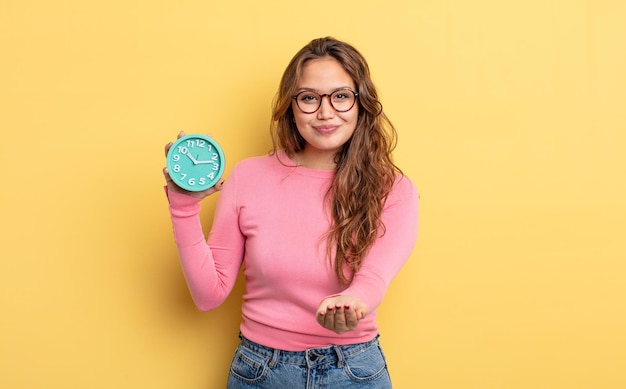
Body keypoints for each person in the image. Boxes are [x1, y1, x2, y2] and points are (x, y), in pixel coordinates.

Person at [163, 37, 418, 388]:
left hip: (354, 371)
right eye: (309, 98)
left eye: (341, 96)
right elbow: (209, 295)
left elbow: (373, 278)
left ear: (362, 103)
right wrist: (183, 205)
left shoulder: (394, 189)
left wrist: (353, 303)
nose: (325, 112)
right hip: (261, 371)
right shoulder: (248, 177)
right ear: (291, 107)